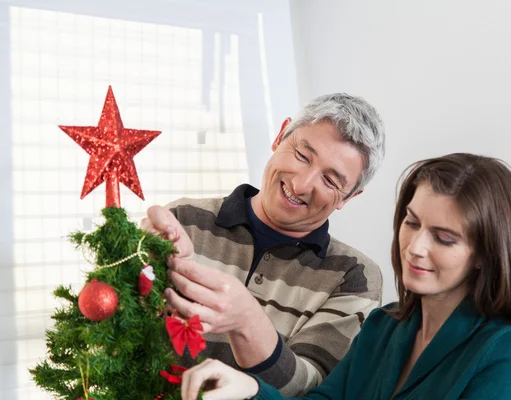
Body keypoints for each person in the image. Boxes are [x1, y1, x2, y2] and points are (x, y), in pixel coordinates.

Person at [178, 153, 511, 400]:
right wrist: (249, 390)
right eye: (412, 222)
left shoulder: (509, 352)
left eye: (444, 238)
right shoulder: (383, 326)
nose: (416, 247)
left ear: (484, 256)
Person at [141, 93, 386, 396]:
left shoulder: (353, 275)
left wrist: (247, 321)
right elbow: (121, 340)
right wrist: (141, 272)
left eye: (331, 181)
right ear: (280, 135)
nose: (301, 185)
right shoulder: (185, 221)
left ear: (349, 197)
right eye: (302, 155)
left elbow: (312, 390)